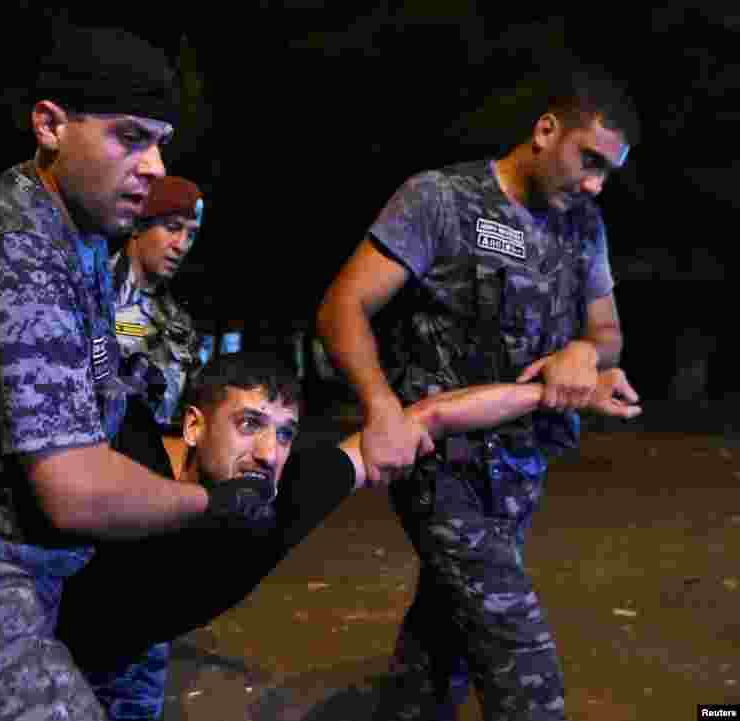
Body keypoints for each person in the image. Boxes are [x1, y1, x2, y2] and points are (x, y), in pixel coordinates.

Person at [0, 26, 276, 720]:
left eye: (160, 141)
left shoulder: (70, 228)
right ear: (50, 124)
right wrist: (214, 506)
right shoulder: (20, 250)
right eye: (129, 137)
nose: (153, 165)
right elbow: (73, 490)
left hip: (9, 554)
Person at [56, 351, 641, 719]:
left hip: (131, 646)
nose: (267, 453)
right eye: (249, 424)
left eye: (284, 435)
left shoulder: (280, 499)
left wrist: (556, 395)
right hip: (40, 643)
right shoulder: (115, 455)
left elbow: (425, 418)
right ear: (192, 424)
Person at [315, 65, 640, 719]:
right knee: (527, 672)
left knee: (442, 645)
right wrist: (380, 406)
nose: (596, 184)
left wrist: (584, 350)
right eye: (590, 160)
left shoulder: (584, 228)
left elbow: (607, 330)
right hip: (442, 464)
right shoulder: (441, 199)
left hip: (522, 466)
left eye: (610, 171)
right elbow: (342, 307)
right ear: (546, 130)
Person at [111, 174, 204, 430]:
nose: (182, 245)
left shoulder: (180, 323)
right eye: (173, 228)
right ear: (138, 225)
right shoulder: (92, 293)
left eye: (192, 235)